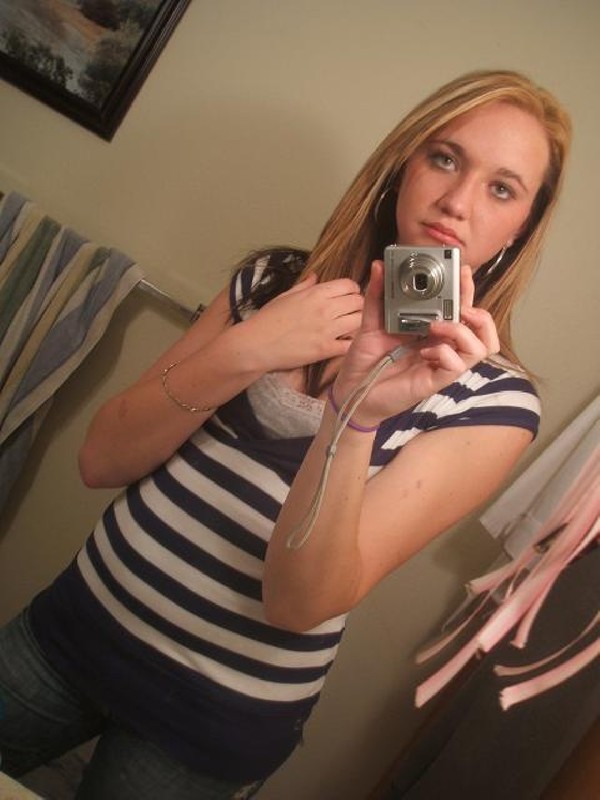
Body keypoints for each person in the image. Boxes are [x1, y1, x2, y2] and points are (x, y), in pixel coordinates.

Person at [0, 69, 571, 800]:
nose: (458, 202)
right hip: (69, 630)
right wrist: (250, 347)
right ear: (404, 163)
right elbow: (100, 458)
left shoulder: (494, 402)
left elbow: (300, 604)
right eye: (445, 157)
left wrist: (356, 413)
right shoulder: (273, 282)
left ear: (521, 227)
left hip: (208, 725)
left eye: (502, 189)